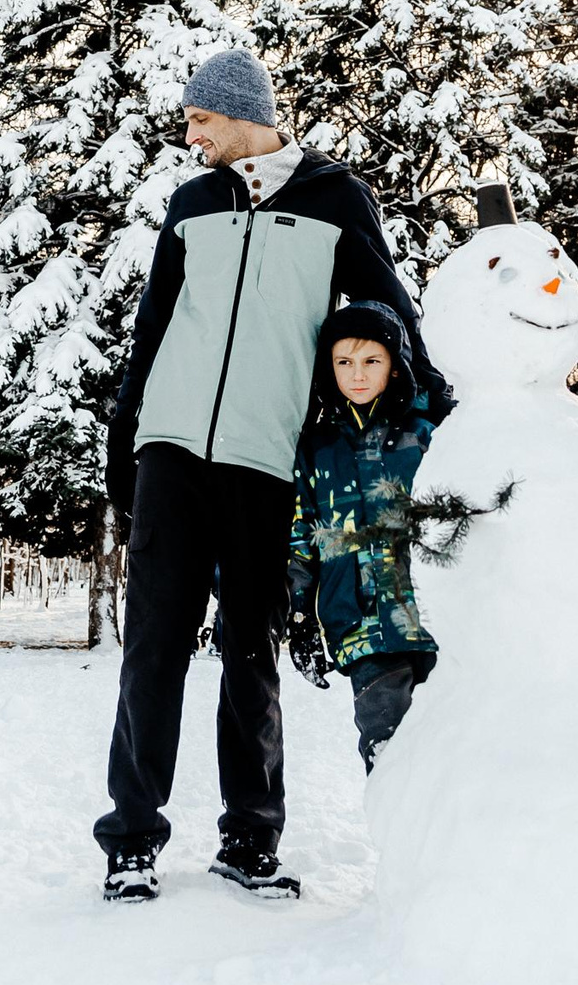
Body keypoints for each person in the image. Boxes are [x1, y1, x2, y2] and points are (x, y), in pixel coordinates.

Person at [96, 48, 452, 904]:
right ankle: (132, 837)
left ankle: (250, 837)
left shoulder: (336, 198)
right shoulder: (191, 204)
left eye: (199, 121)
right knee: (152, 646)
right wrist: (125, 431)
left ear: (242, 113)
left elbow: (391, 313)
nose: (191, 137)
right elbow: (154, 327)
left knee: (249, 648)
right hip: (172, 449)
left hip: (266, 457)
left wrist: (438, 409)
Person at [285, 302, 442, 771]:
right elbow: (300, 539)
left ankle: (455, 840)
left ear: (395, 367)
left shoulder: (427, 437)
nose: (357, 374)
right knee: (388, 744)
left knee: (447, 746)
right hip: (359, 624)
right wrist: (300, 618)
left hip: (435, 620)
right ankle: (401, 839)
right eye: (344, 362)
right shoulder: (315, 449)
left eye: (371, 361)